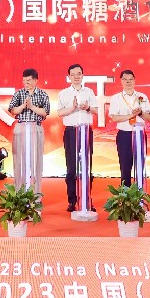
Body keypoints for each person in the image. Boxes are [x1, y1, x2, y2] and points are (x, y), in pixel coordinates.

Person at [56, 63, 97, 212]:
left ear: (82, 75)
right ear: (69, 77)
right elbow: (60, 113)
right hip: (71, 132)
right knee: (71, 168)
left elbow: (96, 110)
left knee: (87, 166)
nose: (76, 77)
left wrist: (87, 108)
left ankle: (87, 199)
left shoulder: (89, 92)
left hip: (86, 131)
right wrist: (73, 108)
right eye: (73, 74)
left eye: (78, 74)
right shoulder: (63, 93)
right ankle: (72, 200)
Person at [8, 68, 50, 194]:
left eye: (29, 80)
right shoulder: (19, 94)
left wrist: (31, 106)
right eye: (24, 80)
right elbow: (12, 110)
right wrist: (23, 106)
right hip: (21, 128)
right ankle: (19, 195)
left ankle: (36, 196)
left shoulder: (42, 94)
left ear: (35, 80)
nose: (26, 83)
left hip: (36, 128)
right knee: (19, 161)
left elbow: (45, 112)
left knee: (36, 162)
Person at [108, 70, 150, 186]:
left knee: (140, 165)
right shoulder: (116, 98)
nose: (128, 82)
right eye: (125, 79)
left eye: (130, 79)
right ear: (121, 81)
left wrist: (140, 113)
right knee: (125, 166)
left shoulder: (142, 97)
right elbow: (114, 118)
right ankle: (126, 194)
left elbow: (149, 118)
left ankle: (140, 193)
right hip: (124, 134)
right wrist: (131, 115)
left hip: (139, 134)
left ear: (134, 80)